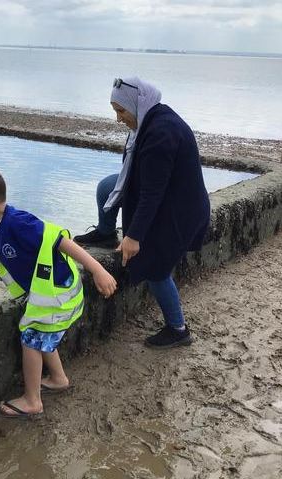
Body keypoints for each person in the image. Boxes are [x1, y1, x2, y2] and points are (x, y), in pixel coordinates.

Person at [0, 166, 117, 418]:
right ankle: (58, 378)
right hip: (46, 295)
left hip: (57, 294)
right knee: (42, 335)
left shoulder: (19, 223)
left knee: (31, 338)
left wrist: (98, 270)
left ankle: (32, 400)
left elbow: (62, 242)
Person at [74, 76, 210, 349]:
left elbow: (152, 194)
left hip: (180, 208)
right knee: (107, 188)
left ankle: (178, 329)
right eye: (115, 111)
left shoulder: (161, 133)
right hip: (163, 191)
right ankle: (106, 233)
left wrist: (134, 236)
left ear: (136, 103)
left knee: (154, 266)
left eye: (121, 111)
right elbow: (141, 179)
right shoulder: (148, 118)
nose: (118, 119)